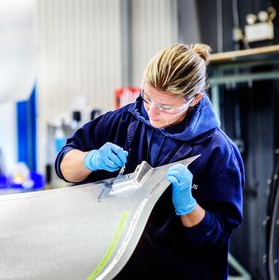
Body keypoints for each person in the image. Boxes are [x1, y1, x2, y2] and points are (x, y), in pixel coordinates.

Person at [55, 43, 244, 279]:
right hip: (124, 269)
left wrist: (188, 206)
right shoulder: (125, 121)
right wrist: (90, 160)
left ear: (194, 99)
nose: (152, 113)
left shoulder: (218, 152)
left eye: (165, 106)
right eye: (146, 98)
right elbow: (64, 165)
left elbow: (216, 235)